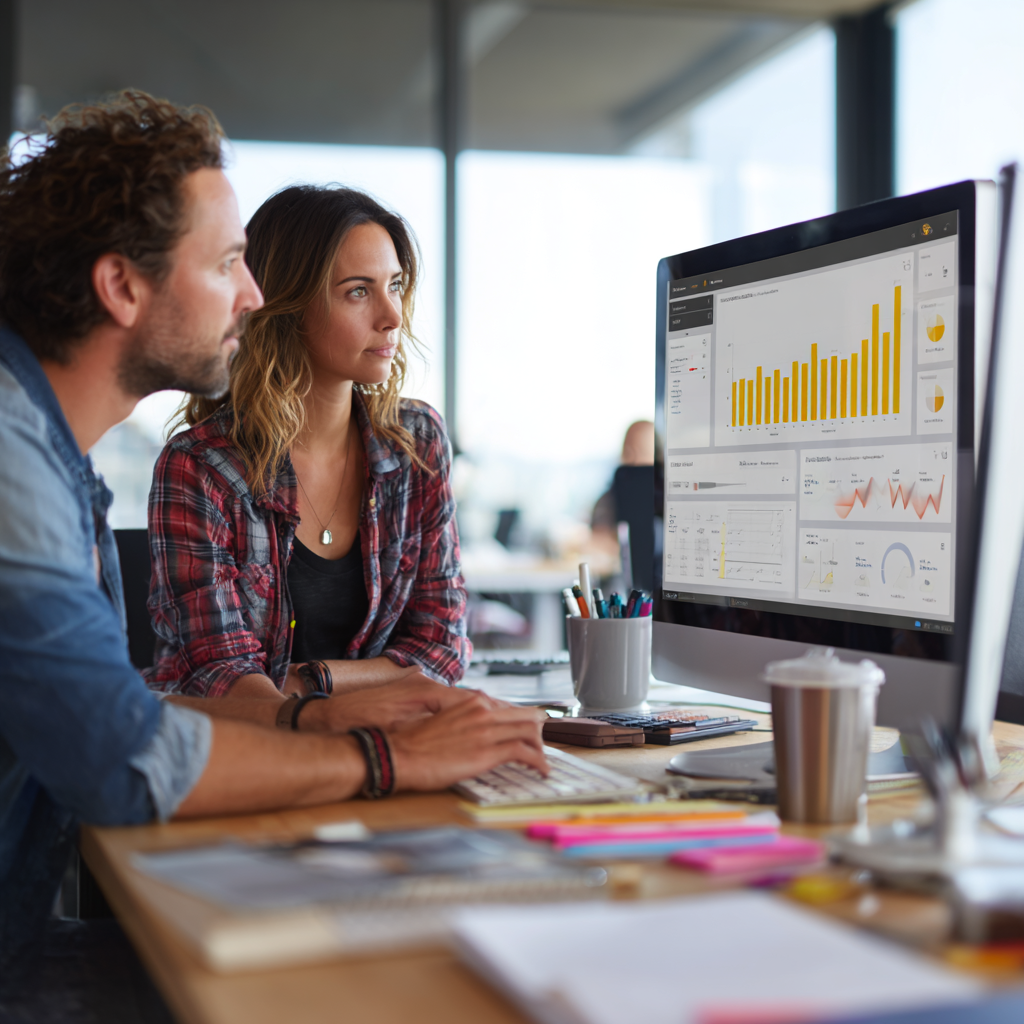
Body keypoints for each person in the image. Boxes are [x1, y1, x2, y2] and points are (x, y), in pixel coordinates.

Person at [0, 90, 547, 969]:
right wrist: (382, 756)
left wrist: (315, 713)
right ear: (121, 286)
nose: (252, 297)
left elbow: (115, 712)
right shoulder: (17, 469)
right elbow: (122, 762)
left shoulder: (54, 458)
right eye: (226, 265)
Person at [145, 185, 469, 702]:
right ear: (287, 306)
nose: (393, 316)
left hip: (378, 745)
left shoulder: (417, 442)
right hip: (240, 759)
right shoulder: (201, 467)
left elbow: (443, 650)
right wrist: (376, 687)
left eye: (396, 285)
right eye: (358, 291)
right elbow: (223, 677)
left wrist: (314, 678)